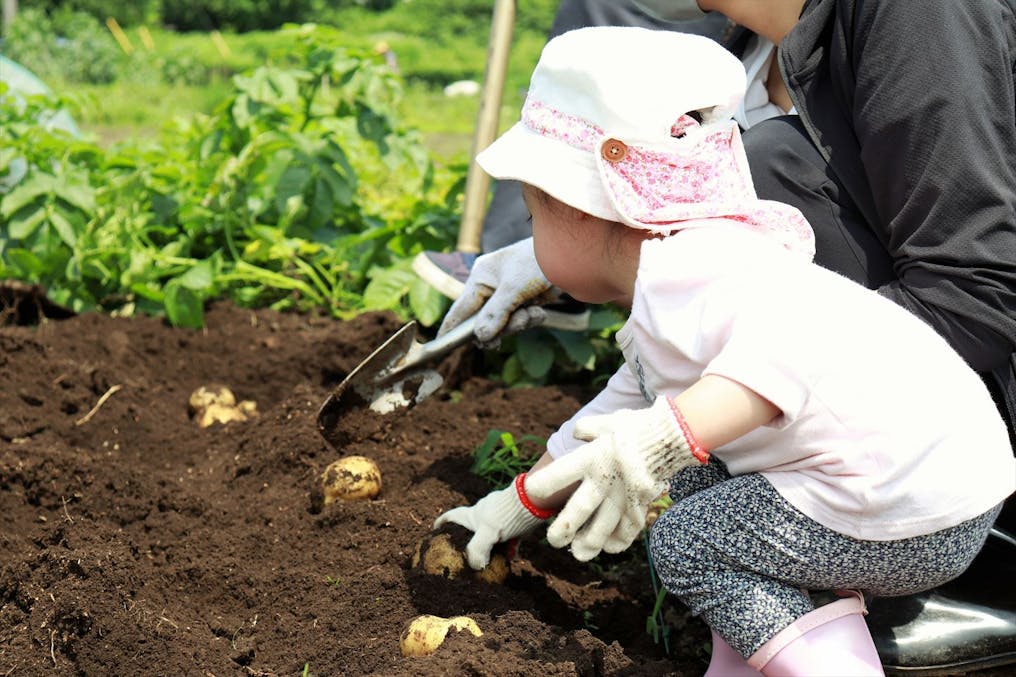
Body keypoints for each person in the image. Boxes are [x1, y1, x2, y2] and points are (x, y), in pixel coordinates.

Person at [430, 1, 1016, 672]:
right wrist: (514, 506)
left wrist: (664, 438)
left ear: (589, 203)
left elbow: (787, 357)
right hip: (937, 464)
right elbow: (623, 404)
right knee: (699, 481)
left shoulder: (699, 274)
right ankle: (755, 652)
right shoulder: (679, 264)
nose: (529, 240)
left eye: (534, 216)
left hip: (929, 497)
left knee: (688, 539)